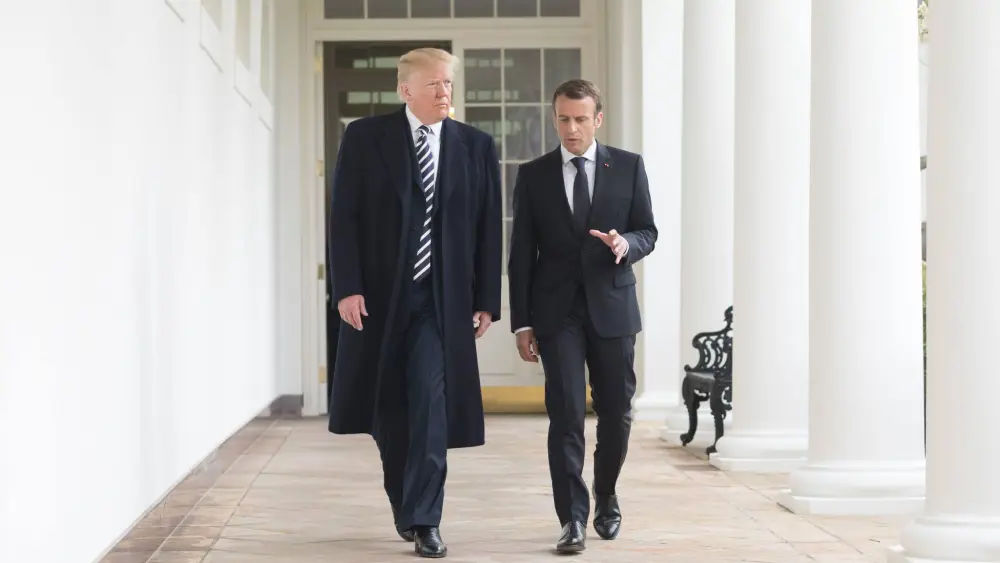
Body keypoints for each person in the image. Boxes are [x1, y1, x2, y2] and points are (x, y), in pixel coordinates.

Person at [327, 47, 502, 559]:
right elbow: (345, 218)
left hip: (440, 302)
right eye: (434, 85)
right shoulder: (365, 138)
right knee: (389, 410)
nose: (445, 92)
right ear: (406, 90)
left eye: (449, 84)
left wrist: (486, 299)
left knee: (430, 405)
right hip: (380, 299)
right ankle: (404, 500)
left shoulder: (475, 145)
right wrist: (348, 286)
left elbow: (488, 226)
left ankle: (426, 519)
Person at [507, 78, 657, 553]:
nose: (571, 129)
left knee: (615, 413)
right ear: (554, 118)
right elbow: (520, 254)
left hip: (612, 308)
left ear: (598, 119)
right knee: (567, 413)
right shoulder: (533, 175)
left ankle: (606, 494)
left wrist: (624, 245)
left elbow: (648, 231)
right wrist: (522, 321)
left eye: (579, 119)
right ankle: (572, 517)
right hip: (557, 315)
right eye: (562, 119)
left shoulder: (628, 167)